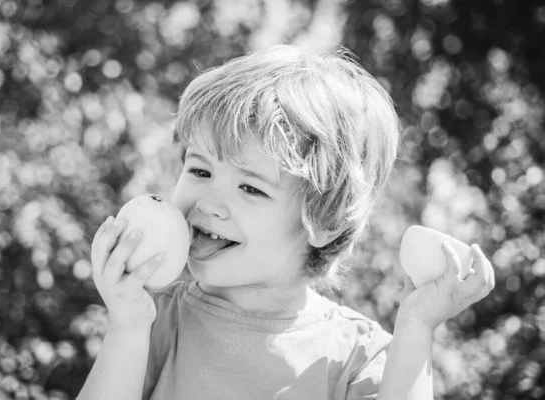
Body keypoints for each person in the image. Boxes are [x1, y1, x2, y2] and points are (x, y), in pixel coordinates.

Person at [77, 45, 495, 400]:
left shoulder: (354, 354)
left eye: (251, 189)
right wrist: (127, 328)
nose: (210, 202)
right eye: (200, 171)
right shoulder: (152, 321)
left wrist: (417, 325)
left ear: (326, 221)